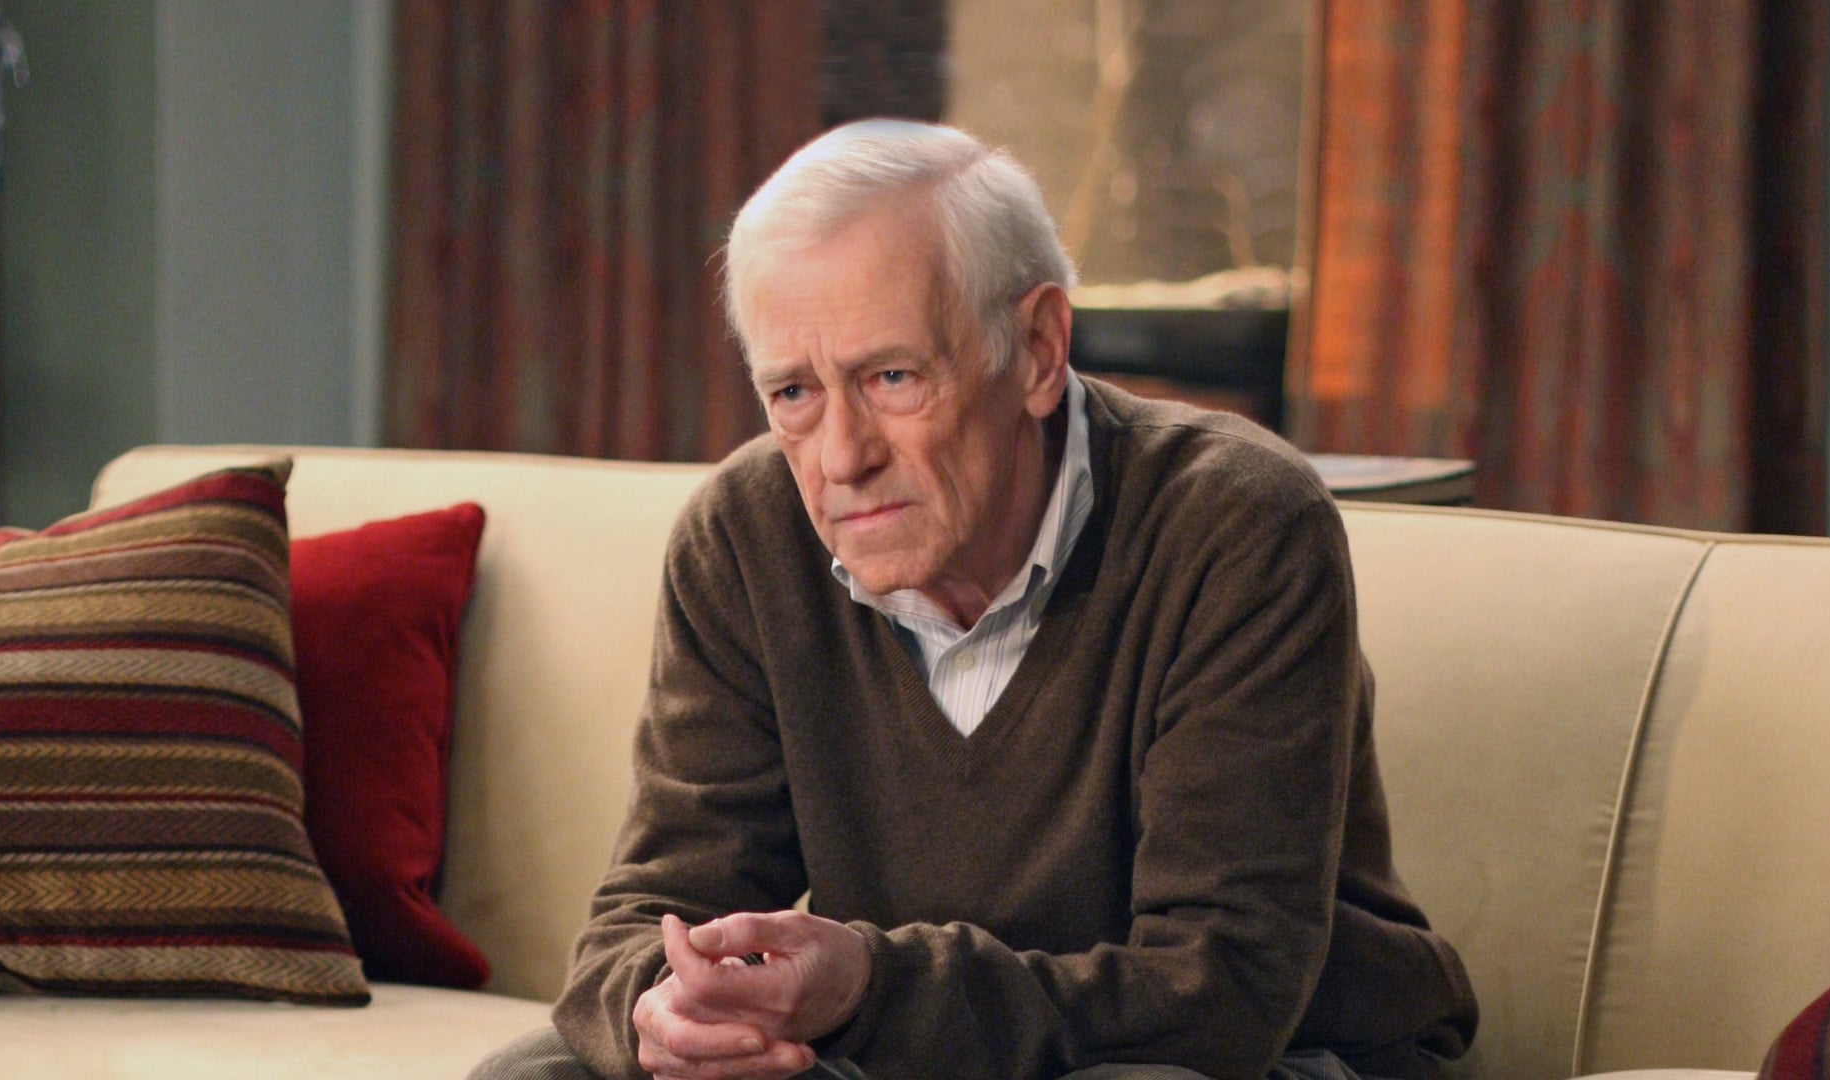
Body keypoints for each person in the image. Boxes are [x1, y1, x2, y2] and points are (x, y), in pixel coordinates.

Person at [471, 119, 1475, 1080]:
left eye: (892, 376)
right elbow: (648, 915)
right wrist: (666, 1009)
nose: (842, 458)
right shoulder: (744, 535)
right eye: (794, 394)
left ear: (1037, 349)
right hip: (912, 1045)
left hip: (1257, 1054)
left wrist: (871, 990)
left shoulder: (1236, 523)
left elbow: (1224, 992)